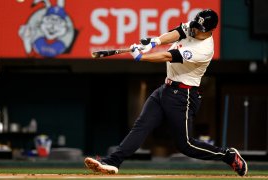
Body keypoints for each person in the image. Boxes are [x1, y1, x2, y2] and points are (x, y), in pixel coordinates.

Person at [84, 9, 248, 177]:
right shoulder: (193, 27)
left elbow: (167, 56)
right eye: (195, 26)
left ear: (210, 31)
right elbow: (176, 33)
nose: (195, 30)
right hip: (166, 89)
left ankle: (228, 155)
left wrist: (141, 57)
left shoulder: (204, 49)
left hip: (184, 96)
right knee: (141, 126)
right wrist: (154, 42)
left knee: (186, 146)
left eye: (200, 29)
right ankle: (112, 162)